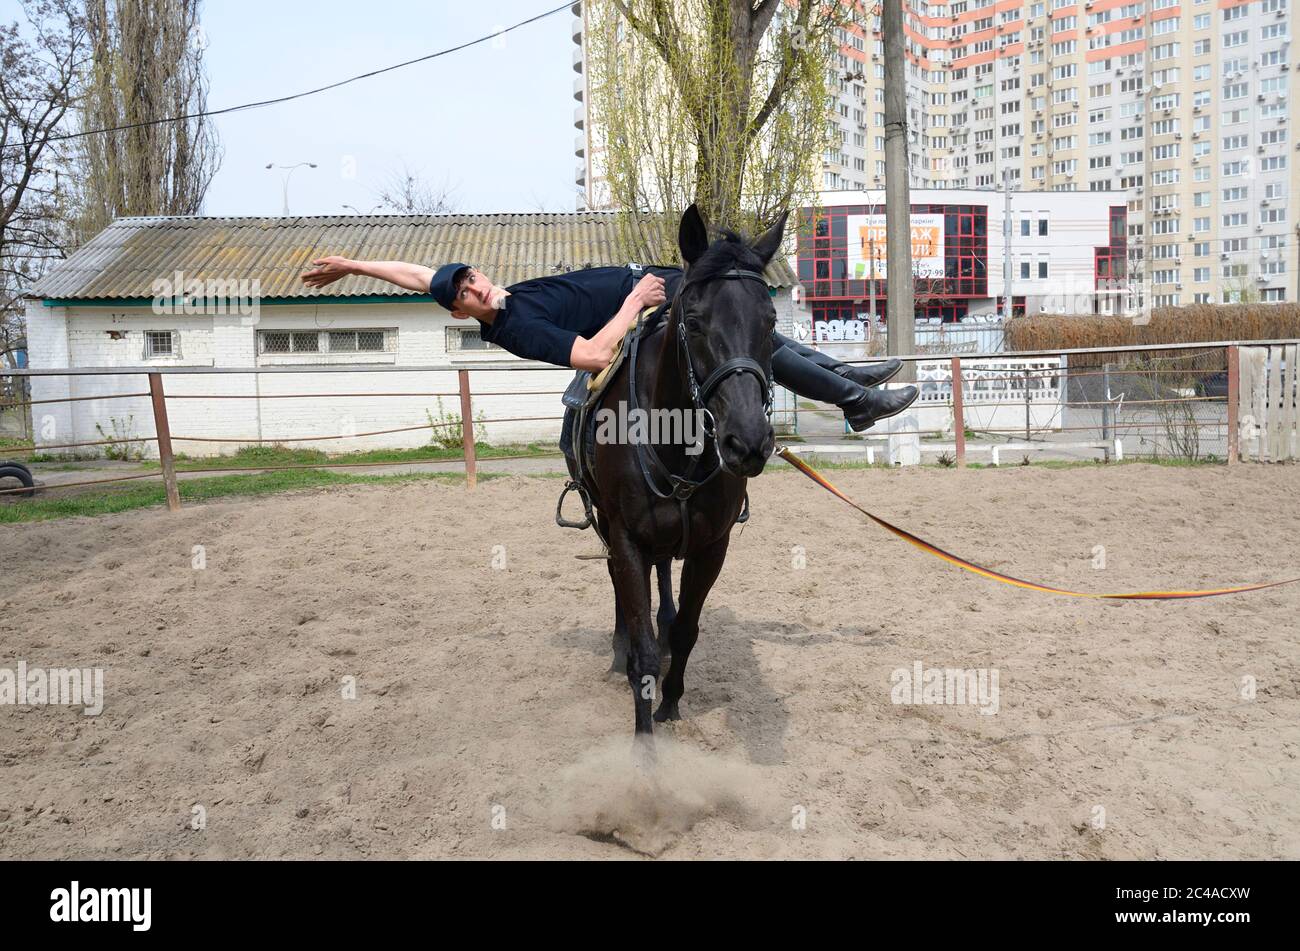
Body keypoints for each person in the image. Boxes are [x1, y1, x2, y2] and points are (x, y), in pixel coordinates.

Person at [301, 258, 919, 430]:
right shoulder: (516, 328)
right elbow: (594, 355)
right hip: (640, 302)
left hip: (641, 283)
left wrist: (352, 265)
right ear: (462, 309)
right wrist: (635, 301)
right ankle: (852, 401)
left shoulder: (505, 295)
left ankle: (848, 379)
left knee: (753, 329)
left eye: (473, 278)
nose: (477, 288)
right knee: (732, 344)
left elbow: (417, 276)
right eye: (465, 292)